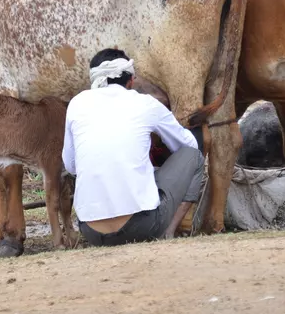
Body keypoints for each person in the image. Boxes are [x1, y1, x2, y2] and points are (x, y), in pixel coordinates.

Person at [62, 48, 205, 246]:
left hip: (91, 231)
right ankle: (167, 233)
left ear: (94, 79)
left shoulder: (76, 104)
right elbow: (188, 145)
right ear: (131, 81)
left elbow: (71, 166)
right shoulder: (145, 103)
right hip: (142, 227)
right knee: (194, 155)